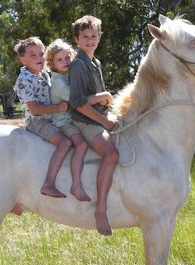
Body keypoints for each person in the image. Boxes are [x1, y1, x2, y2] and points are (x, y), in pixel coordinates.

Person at [68, 15, 119, 236]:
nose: (90, 40)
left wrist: (106, 101)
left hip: (99, 114)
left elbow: (95, 98)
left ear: (100, 37)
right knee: (111, 154)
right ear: (76, 40)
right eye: (85, 37)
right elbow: (78, 103)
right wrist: (104, 121)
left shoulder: (95, 62)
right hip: (85, 121)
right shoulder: (79, 65)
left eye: (94, 35)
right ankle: (100, 210)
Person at [13, 36, 72, 199]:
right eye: (33, 55)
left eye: (41, 53)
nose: (39, 58)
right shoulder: (24, 80)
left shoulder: (44, 73)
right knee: (64, 142)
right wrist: (59, 107)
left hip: (52, 118)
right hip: (37, 122)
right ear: (22, 59)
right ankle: (49, 183)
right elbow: (35, 109)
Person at [44, 39, 92, 202]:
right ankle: (76, 185)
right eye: (59, 59)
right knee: (81, 144)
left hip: (72, 118)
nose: (65, 62)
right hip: (63, 122)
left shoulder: (68, 76)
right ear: (52, 63)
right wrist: (102, 97)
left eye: (67, 58)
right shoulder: (58, 82)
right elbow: (78, 100)